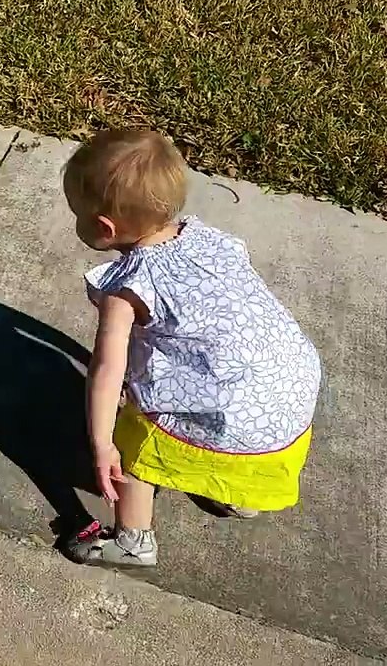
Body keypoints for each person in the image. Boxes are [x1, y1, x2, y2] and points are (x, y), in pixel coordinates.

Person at [58, 130, 321, 567]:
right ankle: (236, 494)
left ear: (105, 228)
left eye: (78, 217)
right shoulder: (209, 239)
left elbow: (105, 372)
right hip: (289, 391)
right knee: (231, 407)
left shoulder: (128, 288)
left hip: (234, 413)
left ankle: (132, 543)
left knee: (137, 436)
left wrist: (103, 444)